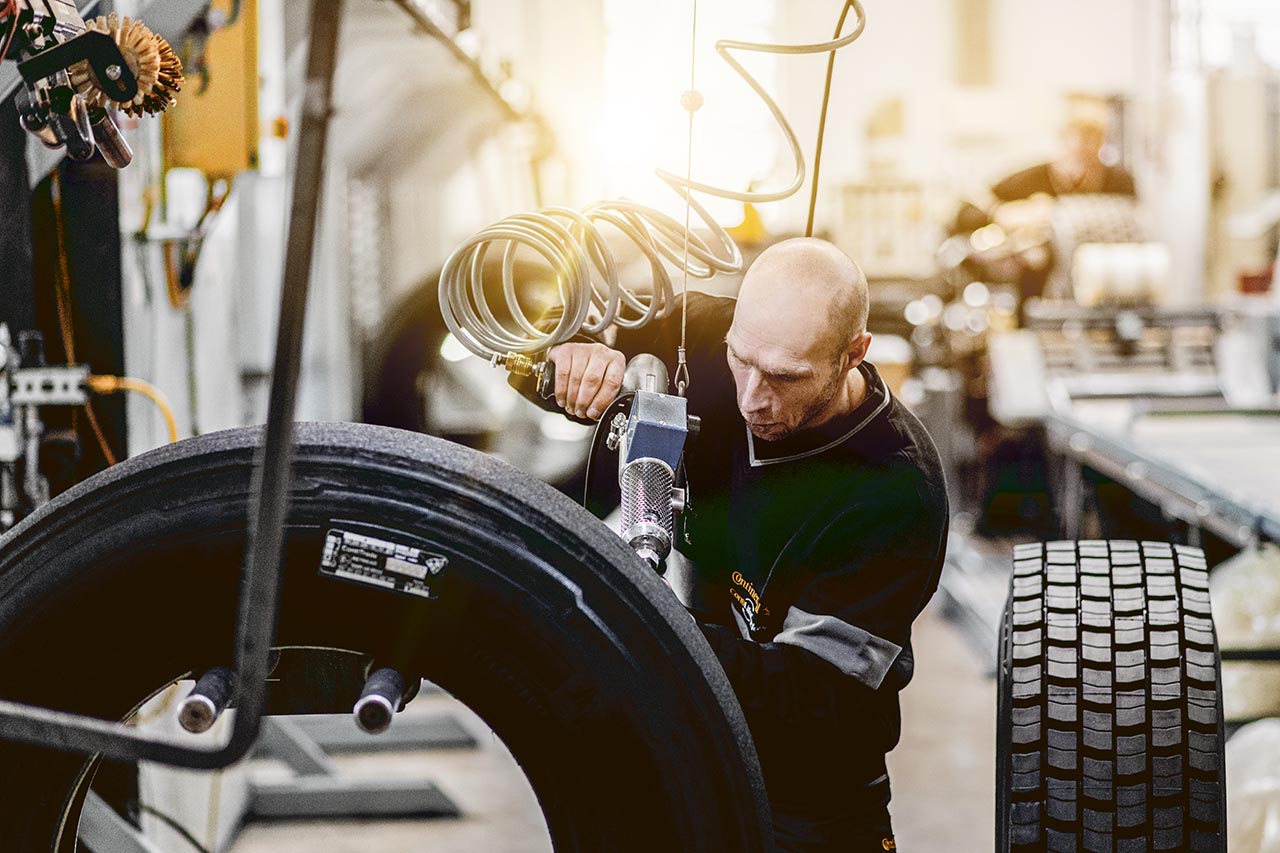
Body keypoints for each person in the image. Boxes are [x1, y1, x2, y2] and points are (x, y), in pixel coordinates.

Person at [533, 237, 949, 851]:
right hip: (697, 747)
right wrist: (568, 361)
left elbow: (807, 701)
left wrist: (638, 620)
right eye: (741, 360)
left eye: (785, 377)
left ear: (853, 354)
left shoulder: (893, 491)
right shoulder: (700, 337)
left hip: (812, 801)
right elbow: (536, 334)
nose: (751, 397)